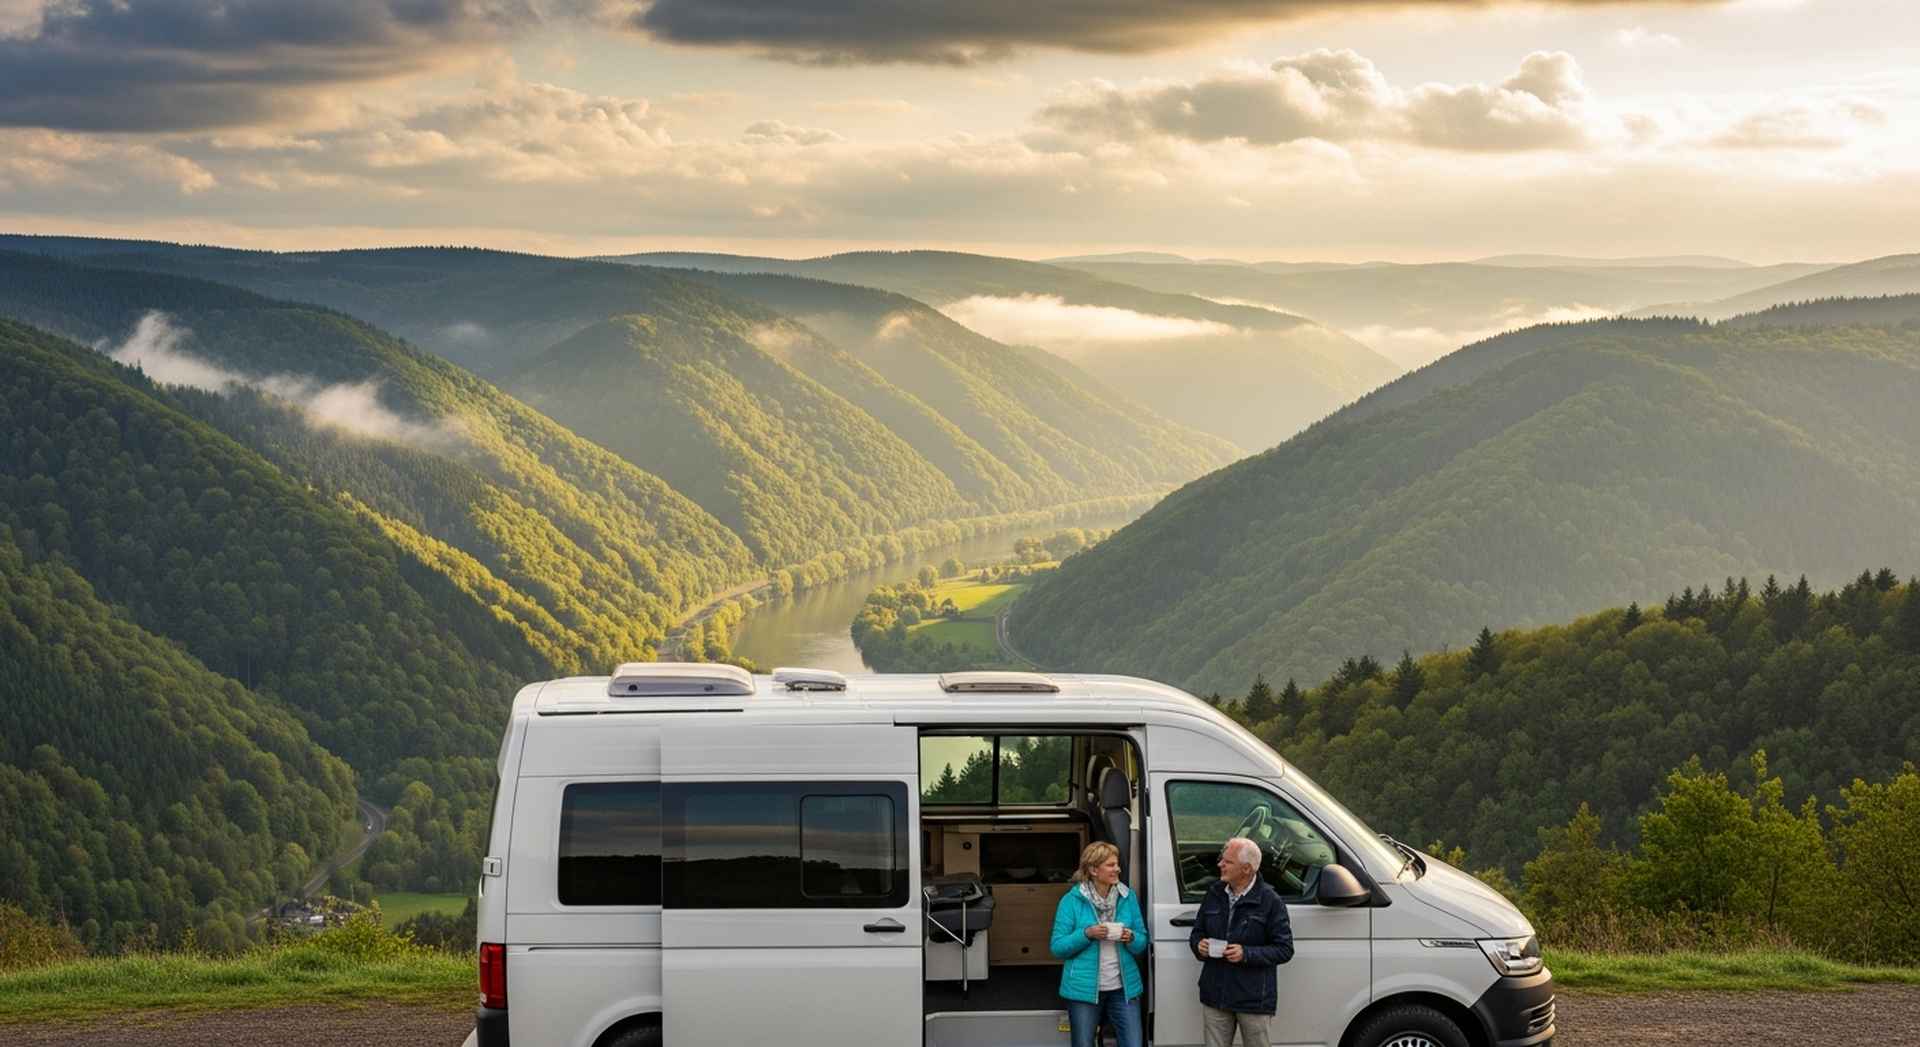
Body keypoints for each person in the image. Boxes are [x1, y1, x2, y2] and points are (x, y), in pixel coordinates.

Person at [1188, 836, 1294, 1047]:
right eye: (1222, 859)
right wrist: (1199, 946)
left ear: (1246, 869)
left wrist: (1246, 954)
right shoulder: (1215, 893)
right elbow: (1197, 932)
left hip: (1253, 999)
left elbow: (1284, 949)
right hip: (1215, 994)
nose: (1220, 865)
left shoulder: (1270, 901)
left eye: (1228, 861)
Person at [1051, 841, 1149, 1047]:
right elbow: (1058, 947)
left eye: (1117, 864)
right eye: (1111, 865)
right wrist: (1087, 933)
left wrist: (1131, 937)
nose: (1118, 869)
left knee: (1134, 1044)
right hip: (1082, 989)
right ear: (1093, 869)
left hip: (1123, 988)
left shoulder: (1127, 896)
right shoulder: (1071, 901)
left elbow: (1141, 942)